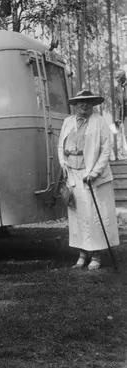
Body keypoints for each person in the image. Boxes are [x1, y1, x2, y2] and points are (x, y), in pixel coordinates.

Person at [58, 89, 119, 270]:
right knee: (78, 216)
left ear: (93, 104)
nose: (84, 104)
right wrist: (64, 165)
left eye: (88, 101)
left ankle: (96, 255)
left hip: (92, 175)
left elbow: (105, 151)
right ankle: (82, 254)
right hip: (73, 173)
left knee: (94, 216)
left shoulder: (100, 122)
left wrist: (94, 173)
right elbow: (61, 146)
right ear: (75, 104)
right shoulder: (68, 122)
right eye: (80, 102)